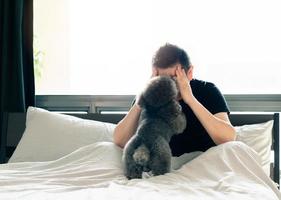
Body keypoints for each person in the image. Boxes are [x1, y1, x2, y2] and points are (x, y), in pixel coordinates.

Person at [113, 43, 236, 156]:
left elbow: (228, 137)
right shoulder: (150, 94)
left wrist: (191, 100)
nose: (168, 85)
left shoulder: (207, 90)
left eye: (174, 77)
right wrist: (142, 98)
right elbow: (120, 141)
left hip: (203, 163)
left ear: (189, 72)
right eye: (161, 78)